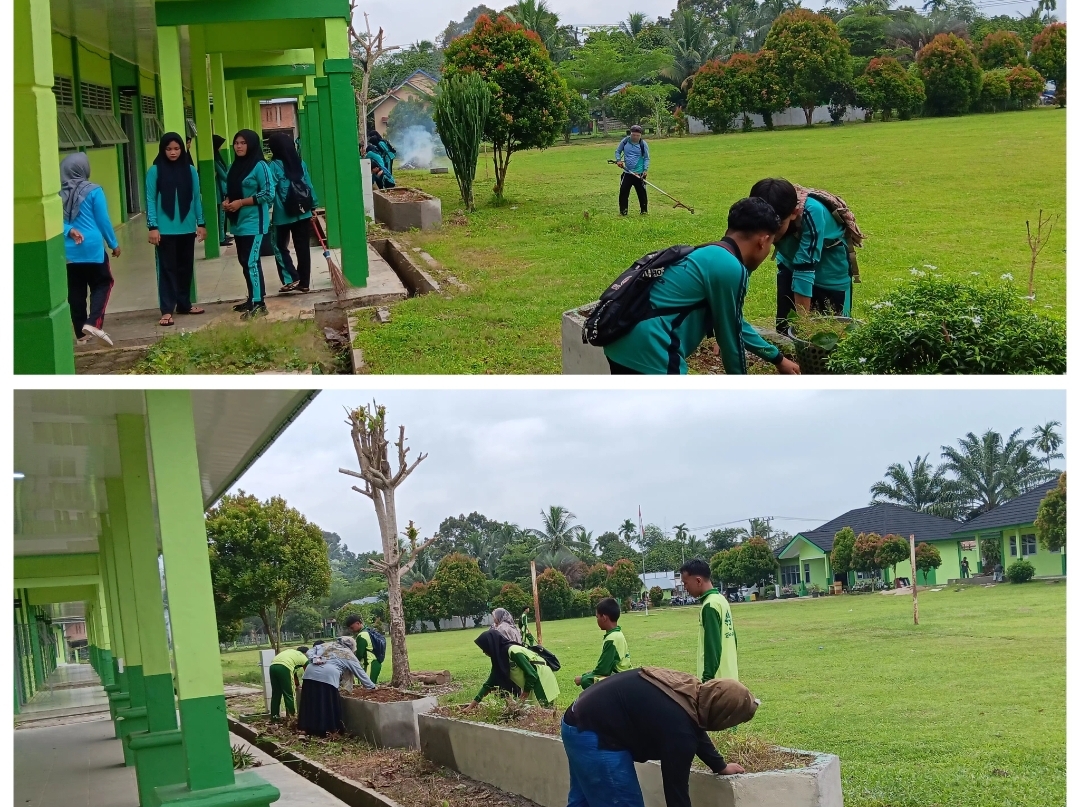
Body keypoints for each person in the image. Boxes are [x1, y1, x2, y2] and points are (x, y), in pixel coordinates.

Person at [602, 197, 802, 375]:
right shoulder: (731, 267)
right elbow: (730, 338)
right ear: (763, 240)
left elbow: (735, 322)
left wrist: (777, 359)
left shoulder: (708, 252)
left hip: (621, 343)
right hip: (651, 350)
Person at [561, 667, 757, 807]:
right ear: (723, 716)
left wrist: (719, 766)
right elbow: (676, 790)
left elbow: (696, 727)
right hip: (595, 735)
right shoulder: (680, 732)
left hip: (576, 719)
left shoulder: (689, 689)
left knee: (583, 801)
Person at [749, 178, 853, 334]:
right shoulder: (759, 208)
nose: (768, 236)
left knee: (832, 337)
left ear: (794, 213)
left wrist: (804, 329)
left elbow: (804, 269)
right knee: (785, 330)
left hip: (830, 276)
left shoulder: (812, 212)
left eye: (776, 229)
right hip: (789, 265)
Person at [145, 132, 207, 327]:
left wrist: (202, 223)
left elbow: (197, 197)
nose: (173, 152)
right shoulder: (154, 171)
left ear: (182, 149)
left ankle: (184, 304)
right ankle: (166, 310)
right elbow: (150, 200)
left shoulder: (190, 170)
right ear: (163, 150)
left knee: (185, 268)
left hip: (187, 228)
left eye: (177, 148)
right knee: (167, 269)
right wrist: (153, 227)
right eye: (169, 149)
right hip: (164, 230)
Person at [60, 153, 120, 346]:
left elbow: (54, 222)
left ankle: (81, 335)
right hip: (92, 248)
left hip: (69, 250)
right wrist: (113, 243)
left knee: (75, 291)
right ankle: (93, 322)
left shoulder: (58, 194)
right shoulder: (94, 191)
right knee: (103, 283)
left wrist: (69, 230)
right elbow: (103, 220)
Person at [223, 129, 274, 318]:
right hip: (238, 223)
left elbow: (269, 193)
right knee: (244, 261)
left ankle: (260, 304)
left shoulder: (260, 166)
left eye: (243, 143)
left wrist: (241, 203)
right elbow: (231, 190)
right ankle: (252, 298)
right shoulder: (233, 166)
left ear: (251, 144)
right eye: (236, 143)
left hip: (255, 222)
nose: (239, 146)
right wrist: (227, 201)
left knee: (252, 262)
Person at [268, 132, 319, 294]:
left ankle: (291, 277)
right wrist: (313, 206)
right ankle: (304, 282)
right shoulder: (300, 163)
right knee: (302, 247)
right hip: (303, 212)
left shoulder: (273, 166)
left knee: (278, 245)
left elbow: (270, 192)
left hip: (283, 215)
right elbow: (308, 186)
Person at [465, 625, 560, 708]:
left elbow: (532, 674)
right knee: (535, 713)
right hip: (534, 682)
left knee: (543, 713)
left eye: (485, 648)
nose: (484, 652)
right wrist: (470, 707)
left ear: (492, 646)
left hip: (542, 680)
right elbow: (488, 684)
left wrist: (524, 695)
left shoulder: (513, 651)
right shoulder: (500, 660)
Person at [296, 637, 375, 736]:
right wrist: (371, 687)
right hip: (328, 676)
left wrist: (317, 659)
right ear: (351, 647)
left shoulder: (326, 645)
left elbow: (309, 652)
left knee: (309, 701)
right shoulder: (348, 654)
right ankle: (329, 730)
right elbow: (359, 671)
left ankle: (305, 729)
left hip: (309, 674)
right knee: (328, 703)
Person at [679, 559, 738, 682]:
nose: (685, 588)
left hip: (716, 683)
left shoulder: (710, 606)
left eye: (685, 583)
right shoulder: (721, 600)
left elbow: (713, 647)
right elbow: (733, 639)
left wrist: (707, 681)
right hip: (730, 678)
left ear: (698, 581)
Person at [575, 598, 631, 690]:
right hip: (625, 674)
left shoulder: (611, 639)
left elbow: (603, 670)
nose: (597, 620)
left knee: (586, 680)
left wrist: (581, 679)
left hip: (620, 678)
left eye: (597, 617)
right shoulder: (618, 633)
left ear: (604, 618)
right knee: (587, 675)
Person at [614, 125, 649, 216]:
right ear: (630, 134)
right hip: (627, 173)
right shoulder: (625, 141)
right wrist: (618, 160)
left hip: (639, 173)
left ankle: (644, 211)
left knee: (642, 193)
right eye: (633, 135)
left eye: (637, 135)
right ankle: (623, 212)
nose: (635, 137)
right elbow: (617, 151)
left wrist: (645, 170)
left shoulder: (643, 144)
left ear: (640, 135)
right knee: (623, 192)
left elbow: (646, 158)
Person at [269, 645, 309, 721]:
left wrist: (297, 685)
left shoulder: (291, 653)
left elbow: (294, 673)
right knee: (289, 694)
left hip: (272, 666)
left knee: (276, 694)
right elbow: (309, 672)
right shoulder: (303, 657)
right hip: (284, 667)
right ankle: (291, 718)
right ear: (305, 653)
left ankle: (274, 717)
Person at [343, 614, 382, 683]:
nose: (351, 630)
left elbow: (359, 655)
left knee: (367, 688)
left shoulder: (362, 635)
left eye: (352, 628)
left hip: (370, 664)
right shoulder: (367, 631)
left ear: (358, 623)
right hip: (375, 663)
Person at [212, 134, 233, 247]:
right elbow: (224, 175)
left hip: (222, 190)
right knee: (220, 217)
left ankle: (223, 235)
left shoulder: (218, 157)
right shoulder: (214, 160)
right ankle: (220, 238)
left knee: (223, 216)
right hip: (218, 192)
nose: (221, 147)